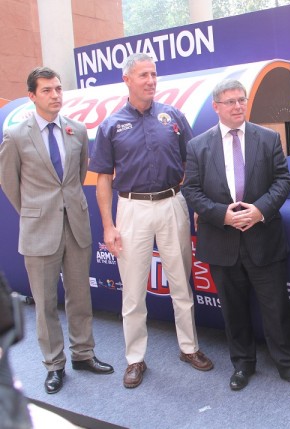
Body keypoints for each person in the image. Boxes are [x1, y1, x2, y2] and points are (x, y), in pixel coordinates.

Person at [88, 53, 213, 389]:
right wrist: (108, 225)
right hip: (131, 210)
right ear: (127, 79)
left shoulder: (172, 116)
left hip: (173, 202)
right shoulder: (111, 125)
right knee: (132, 291)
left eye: (154, 74)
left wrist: (195, 202)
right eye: (143, 75)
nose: (151, 80)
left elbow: (194, 161)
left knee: (181, 283)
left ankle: (189, 348)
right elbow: (102, 179)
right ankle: (135, 359)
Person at [182, 79, 290, 393]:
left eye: (241, 99)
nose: (238, 106)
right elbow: (191, 190)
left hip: (263, 238)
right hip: (221, 241)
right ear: (216, 107)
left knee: (276, 308)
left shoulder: (268, 138)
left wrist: (259, 211)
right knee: (233, 309)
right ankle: (242, 364)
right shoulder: (198, 146)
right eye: (230, 101)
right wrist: (221, 215)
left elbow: (283, 181)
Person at [0, 67, 114, 395]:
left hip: (75, 226)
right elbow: (9, 182)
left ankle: (83, 354)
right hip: (39, 231)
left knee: (80, 296)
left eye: (59, 89)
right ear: (32, 96)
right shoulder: (17, 135)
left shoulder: (76, 131)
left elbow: (76, 178)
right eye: (47, 90)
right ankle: (54, 364)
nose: (55, 95)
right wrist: (33, 212)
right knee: (46, 302)